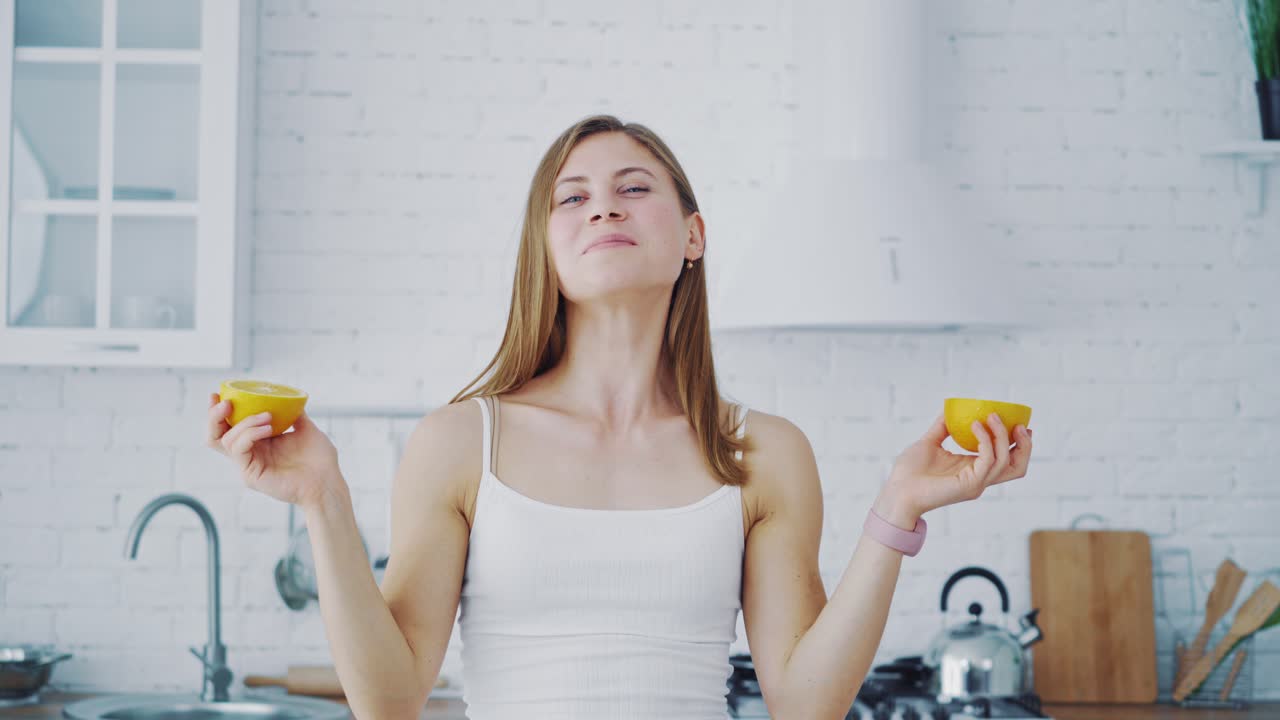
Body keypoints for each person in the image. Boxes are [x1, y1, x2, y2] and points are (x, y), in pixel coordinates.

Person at [206, 114, 1033, 719]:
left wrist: (897, 509)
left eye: (634, 189)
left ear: (693, 236)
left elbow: (807, 701)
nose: (603, 208)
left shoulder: (764, 453)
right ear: (547, 248)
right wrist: (323, 498)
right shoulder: (460, 441)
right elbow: (389, 699)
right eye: (572, 198)